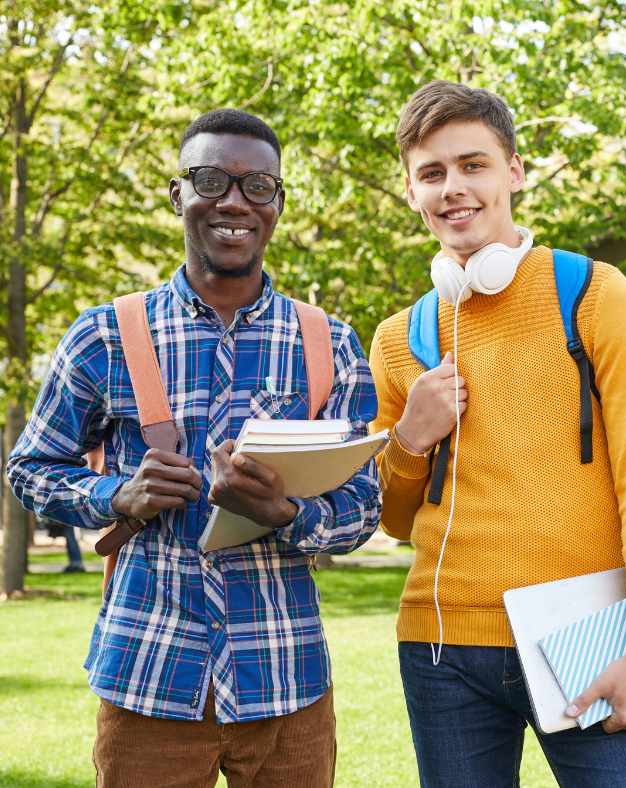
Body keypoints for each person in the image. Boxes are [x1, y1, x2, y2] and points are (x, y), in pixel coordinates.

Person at [6, 109, 380, 788]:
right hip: (148, 678)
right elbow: (29, 467)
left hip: (285, 683)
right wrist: (113, 493)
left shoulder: (331, 344)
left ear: (278, 204)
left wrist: (288, 513)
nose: (234, 202)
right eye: (211, 180)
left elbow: (363, 507)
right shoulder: (105, 336)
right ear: (178, 195)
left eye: (257, 187)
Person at [370, 81, 626, 787]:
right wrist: (411, 439)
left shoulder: (596, 296)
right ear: (413, 191)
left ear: (513, 170)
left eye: (473, 164)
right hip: (441, 647)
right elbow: (392, 521)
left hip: (589, 634)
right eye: (432, 173)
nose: (454, 188)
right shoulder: (399, 340)